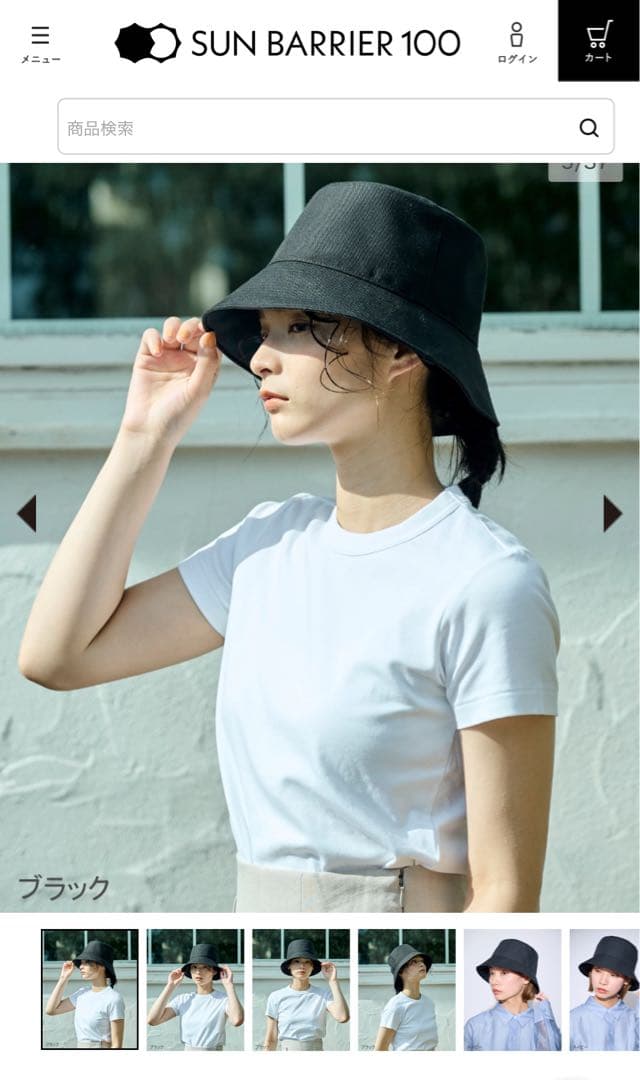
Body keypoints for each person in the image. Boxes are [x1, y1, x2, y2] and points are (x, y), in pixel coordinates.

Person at [19, 180, 559, 914]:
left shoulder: (484, 582)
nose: (263, 359)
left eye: (299, 326)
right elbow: (57, 657)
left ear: (401, 349)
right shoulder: (268, 547)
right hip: (266, 949)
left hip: (405, 953)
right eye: (265, 330)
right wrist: (145, 436)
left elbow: (505, 894)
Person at [464, 938, 560, 1051]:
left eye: (504, 973)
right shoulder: (475, 1026)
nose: (493, 981)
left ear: (525, 978)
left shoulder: (541, 1023)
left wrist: (545, 1017)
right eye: (492, 973)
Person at [147, 942, 243, 1051]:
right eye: (194, 967)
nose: (198, 972)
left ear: (214, 971)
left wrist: (229, 986)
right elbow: (152, 1020)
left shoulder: (223, 1000)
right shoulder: (183, 1000)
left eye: (204, 967)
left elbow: (237, 1020)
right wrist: (170, 986)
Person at [263, 938, 349, 1051]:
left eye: (307, 962)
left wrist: (333, 981)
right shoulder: (276, 997)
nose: (302, 966)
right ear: (289, 966)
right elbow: (271, 1039)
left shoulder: (323, 995)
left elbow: (342, 1017)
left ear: (312, 967)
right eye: (297, 961)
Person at [45, 939, 125, 1049]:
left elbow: (117, 1045)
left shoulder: (113, 999)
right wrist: (63, 978)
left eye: (86, 962)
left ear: (102, 966)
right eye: (81, 963)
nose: (81, 967)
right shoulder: (81, 994)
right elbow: (51, 1010)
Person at [570, 935, 639, 1051]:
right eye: (598, 971)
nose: (603, 981)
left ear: (626, 980)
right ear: (591, 972)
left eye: (613, 975)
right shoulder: (573, 1019)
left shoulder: (634, 1020)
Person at [374, 943, 437, 1051]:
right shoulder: (396, 1006)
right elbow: (380, 1049)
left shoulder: (429, 1003)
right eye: (414, 962)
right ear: (401, 971)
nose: (422, 964)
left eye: (422, 961)